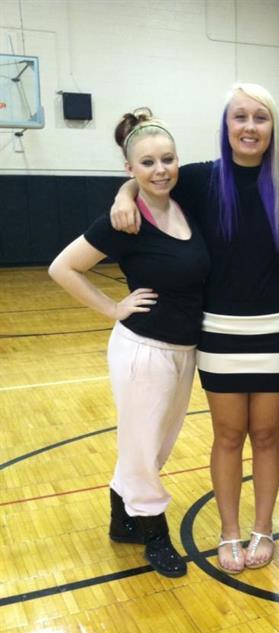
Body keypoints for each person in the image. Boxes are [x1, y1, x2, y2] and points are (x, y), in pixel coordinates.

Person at [111, 84, 279, 575]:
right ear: (226, 125)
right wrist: (123, 193)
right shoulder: (199, 179)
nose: (250, 127)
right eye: (240, 117)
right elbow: (148, 178)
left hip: (276, 331)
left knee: (267, 436)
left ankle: (262, 529)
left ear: (273, 126)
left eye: (260, 117)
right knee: (229, 436)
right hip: (218, 333)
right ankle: (229, 530)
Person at [48, 109, 210, 578]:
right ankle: (154, 533)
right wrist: (112, 308)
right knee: (142, 447)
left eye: (168, 159)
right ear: (129, 168)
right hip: (144, 351)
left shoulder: (186, 202)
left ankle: (122, 519)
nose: (160, 170)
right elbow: (62, 267)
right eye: (147, 163)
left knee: (156, 445)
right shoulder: (124, 220)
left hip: (184, 351)